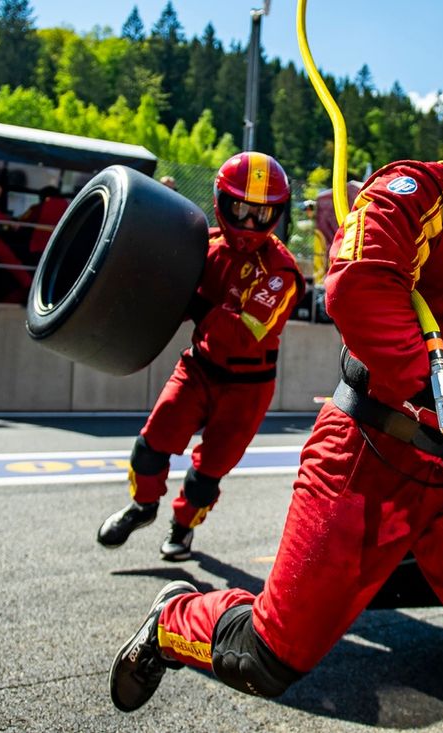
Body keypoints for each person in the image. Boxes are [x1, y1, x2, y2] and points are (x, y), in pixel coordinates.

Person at [106, 40, 443, 731]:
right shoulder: (424, 192)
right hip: (370, 458)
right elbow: (361, 286)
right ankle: (174, 619)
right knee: (266, 657)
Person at [96, 152, 304, 562]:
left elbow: (241, 336)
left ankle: (183, 529)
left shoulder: (282, 273)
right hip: (198, 368)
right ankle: (142, 507)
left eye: (260, 214)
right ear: (221, 202)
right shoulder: (200, 245)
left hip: (248, 387)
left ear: (277, 215)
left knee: (207, 473)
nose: (247, 223)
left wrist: (192, 302)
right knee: (149, 447)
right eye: (240, 208)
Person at [19, 186, 70, 266]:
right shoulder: (67, 207)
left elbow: (22, 221)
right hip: (59, 246)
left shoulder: (37, 208)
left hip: (38, 246)